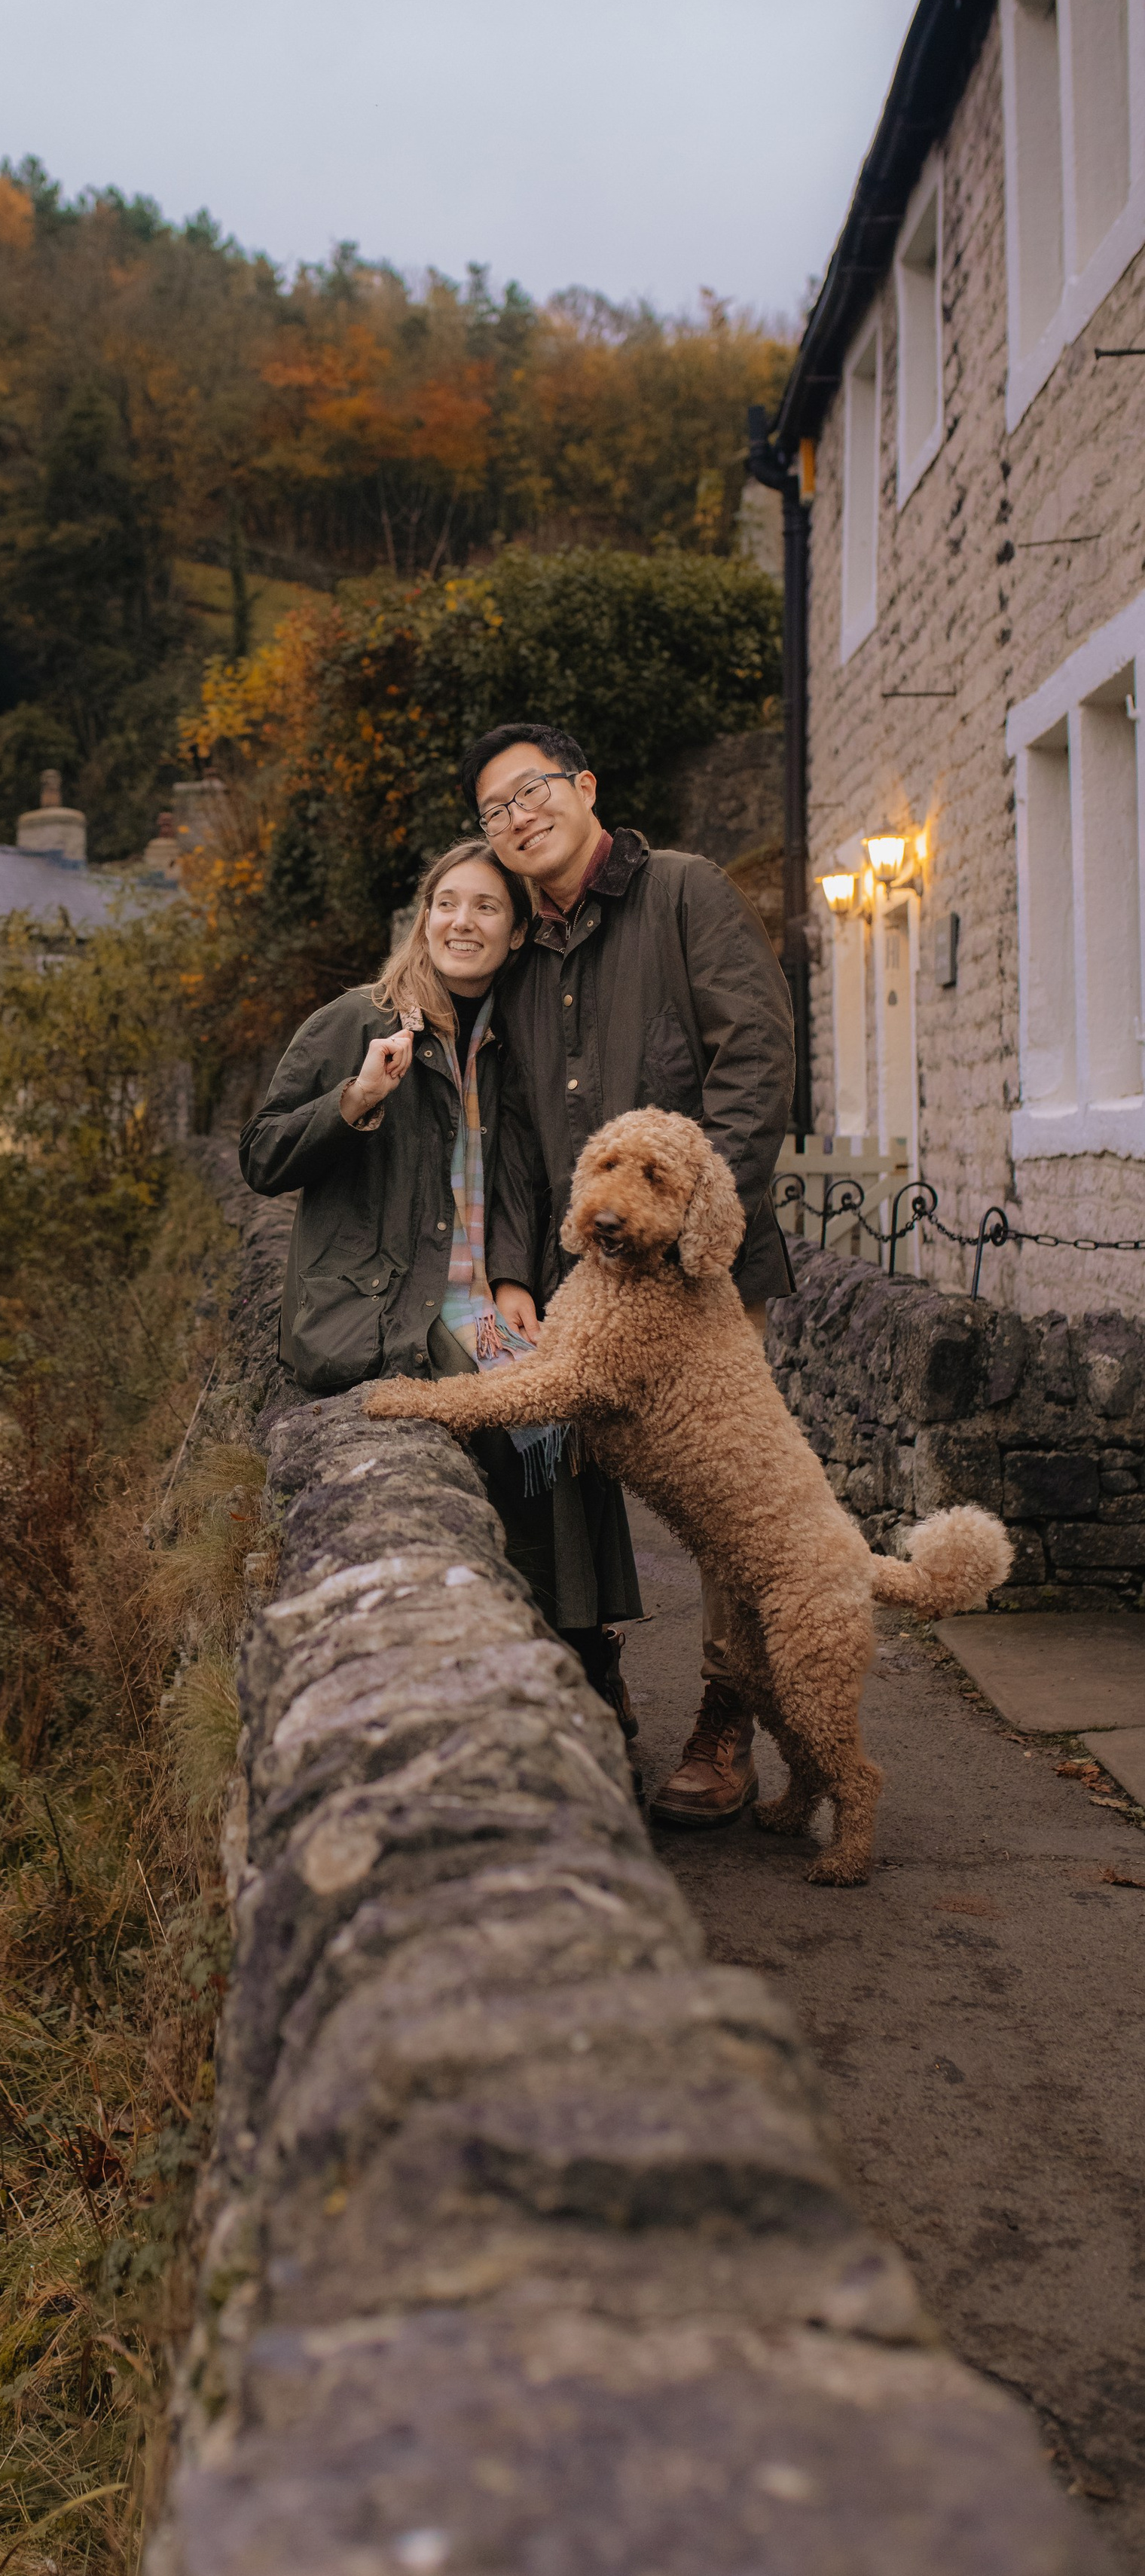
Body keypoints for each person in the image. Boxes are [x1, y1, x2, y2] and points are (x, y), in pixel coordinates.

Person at [463, 720, 795, 1829]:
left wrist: (695, 1228)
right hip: (581, 1277)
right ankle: (592, 1675)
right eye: (495, 809)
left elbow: (757, 1054)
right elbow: (510, 1135)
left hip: (702, 1269)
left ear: (585, 786)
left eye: (534, 789)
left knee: (729, 1499)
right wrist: (513, 1270)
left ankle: (726, 1720)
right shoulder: (515, 956)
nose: (519, 815)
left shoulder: (686, 894)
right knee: (562, 1452)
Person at [237, 837, 643, 1725]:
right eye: (448, 903)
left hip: (473, 1302)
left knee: (557, 1419)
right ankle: (540, 1654)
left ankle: (581, 1647)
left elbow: (528, 1182)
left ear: (513, 930)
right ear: (425, 919)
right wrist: (352, 1100)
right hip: (382, 1311)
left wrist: (512, 1281)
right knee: (504, 1424)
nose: (463, 921)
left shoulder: (513, 1040)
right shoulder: (360, 1020)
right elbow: (261, 1156)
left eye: (486, 907)